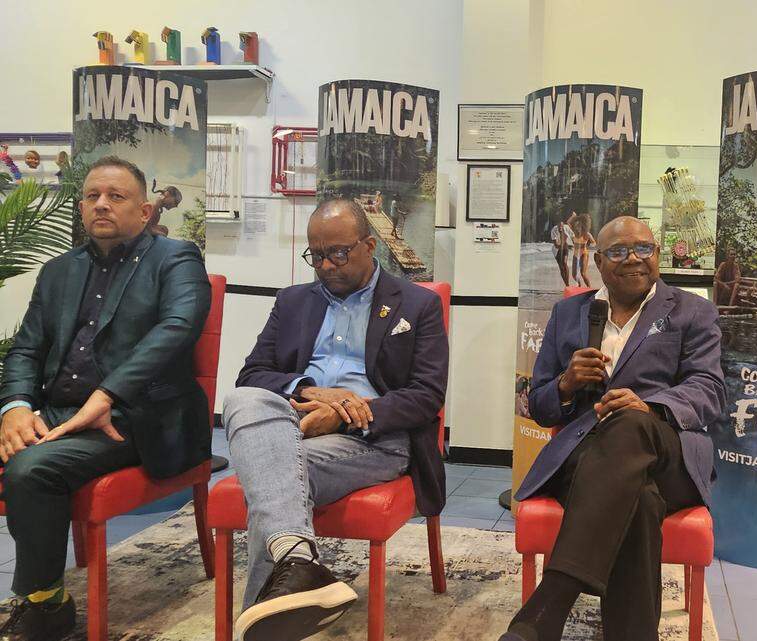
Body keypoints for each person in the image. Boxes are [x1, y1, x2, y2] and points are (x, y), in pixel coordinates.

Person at [0, 155, 212, 641]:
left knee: (31, 469)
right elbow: (27, 348)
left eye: (116, 196)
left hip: (134, 416)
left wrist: (106, 394)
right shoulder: (58, 271)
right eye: (93, 196)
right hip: (57, 411)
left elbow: (177, 329)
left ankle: (45, 604)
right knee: (24, 451)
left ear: (144, 211)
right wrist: (15, 408)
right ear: (80, 207)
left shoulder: (176, 259)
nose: (101, 204)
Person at [222, 198, 448, 641]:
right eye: (317, 255)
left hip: (374, 438)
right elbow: (253, 374)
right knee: (242, 399)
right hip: (294, 423)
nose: (326, 265)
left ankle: (264, 621)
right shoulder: (292, 301)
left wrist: (343, 416)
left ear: (369, 246)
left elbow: (426, 395)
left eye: (339, 253)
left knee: (274, 473)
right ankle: (298, 561)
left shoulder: (416, 304)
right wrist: (310, 390)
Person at [500, 216, 726, 641]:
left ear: (657, 254)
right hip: (587, 458)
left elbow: (709, 390)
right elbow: (540, 406)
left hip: (668, 452)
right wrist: (566, 384)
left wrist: (650, 406)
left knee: (631, 422)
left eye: (643, 248)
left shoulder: (692, 310)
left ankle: (547, 609)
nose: (633, 259)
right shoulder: (569, 313)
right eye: (619, 251)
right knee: (640, 500)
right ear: (598, 261)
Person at [570, 212, 594, 287]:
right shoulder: (574, 233)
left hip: (584, 254)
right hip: (575, 255)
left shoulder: (586, 234)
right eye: (577, 225)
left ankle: (589, 288)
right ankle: (579, 286)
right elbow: (569, 222)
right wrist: (574, 217)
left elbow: (594, 243)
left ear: (583, 226)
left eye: (579, 226)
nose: (577, 227)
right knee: (574, 275)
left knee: (583, 273)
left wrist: (586, 246)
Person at [549, 212, 573, 287]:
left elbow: (573, 236)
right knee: (561, 266)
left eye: (562, 226)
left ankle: (568, 284)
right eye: (559, 226)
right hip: (557, 250)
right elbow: (556, 245)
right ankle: (566, 284)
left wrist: (572, 244)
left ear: (563, 225)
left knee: (565, 263)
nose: (561, 228)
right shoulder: (554, 230)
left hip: (565, 247)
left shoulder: (566, 228)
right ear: (557, 225)